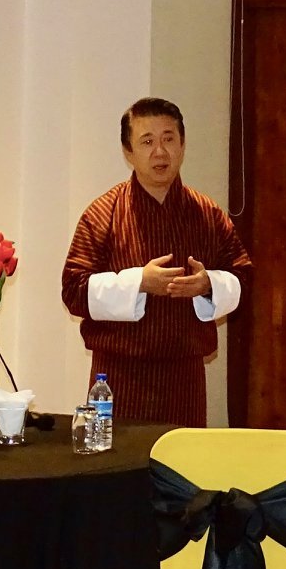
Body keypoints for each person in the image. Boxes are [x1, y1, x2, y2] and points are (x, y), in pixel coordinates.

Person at [60, 96, 254, 426]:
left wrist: (208, 284)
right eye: (147, 142)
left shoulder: (208, 214)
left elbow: (244, 277)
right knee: (117, 471)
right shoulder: (102, 214)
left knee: (180, 468)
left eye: (168, 139)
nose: (160, 152)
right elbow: (73, 290)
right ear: (128, 151)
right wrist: (139, 283)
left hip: (186, 375)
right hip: (118, 375)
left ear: (182, 144)